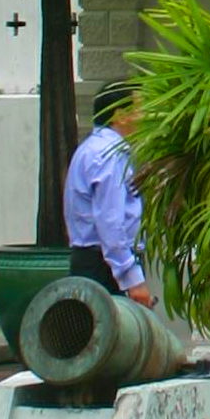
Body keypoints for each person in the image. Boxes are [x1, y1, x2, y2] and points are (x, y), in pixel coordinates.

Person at [62, 80, 155, 306]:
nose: (147, 116)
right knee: (111, 336)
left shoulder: (92, 148)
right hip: (103, 266)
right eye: (141, 108)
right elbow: (110, 222)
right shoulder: (109, 155)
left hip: (95, 261)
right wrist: (132, 279)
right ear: (121, 115)